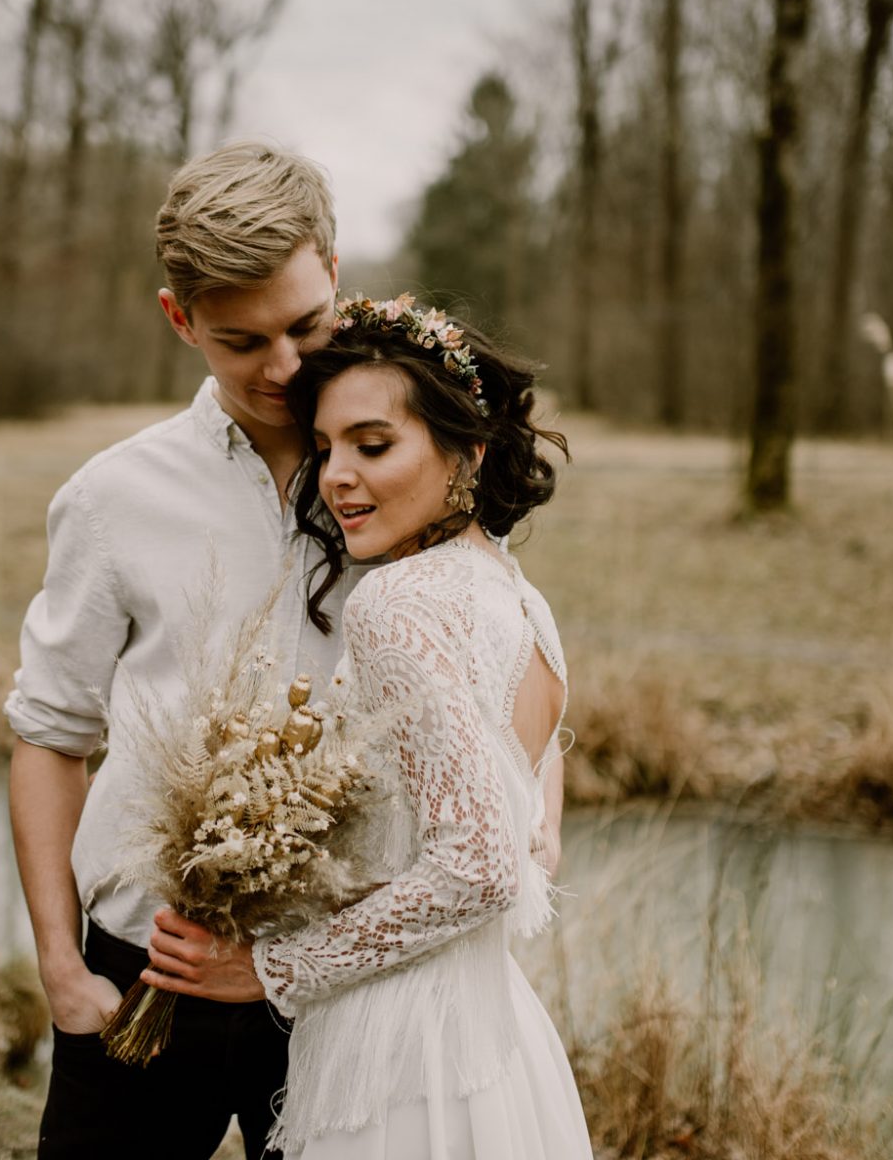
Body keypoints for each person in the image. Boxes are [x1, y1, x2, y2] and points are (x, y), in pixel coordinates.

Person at [137, 296, 592, 1158]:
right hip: (496, 1039)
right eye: (324, 449)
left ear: (467, 452)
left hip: (402, 1050)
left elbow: (483, 866)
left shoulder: (396, 603)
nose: (337, 475)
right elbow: (530, 830)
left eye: (372, 445)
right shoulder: (520, 599)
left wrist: (268, 971)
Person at [4, 141, 357, 1160]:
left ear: (334, 272)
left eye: (304, 325)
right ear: (179, 319)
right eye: (240, 340)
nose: (283, 366)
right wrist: (63, 971)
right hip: (147, 977)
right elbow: (49, 734)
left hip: (339, 991)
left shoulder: (410, 477)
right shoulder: (114, 499)